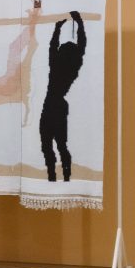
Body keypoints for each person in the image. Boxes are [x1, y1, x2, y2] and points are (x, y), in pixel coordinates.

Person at [40, 10, 87, 181]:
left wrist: (58, 28)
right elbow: (81, 45)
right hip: (57, 105)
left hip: (52, 105)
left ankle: (54, 175)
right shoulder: (72, 67)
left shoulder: (57, 65)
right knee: (59, 145)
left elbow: (53, 47)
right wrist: (78, 22)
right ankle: (63, 175)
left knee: (50, 144)